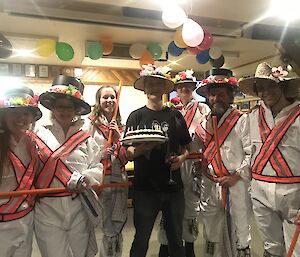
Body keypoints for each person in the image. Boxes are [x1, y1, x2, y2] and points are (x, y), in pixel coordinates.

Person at [33, 75, 103, 257]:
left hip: (78, 207)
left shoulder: (86, 138)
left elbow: (97, 167)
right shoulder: (38, 133)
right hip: (47, 209)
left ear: (76, 110)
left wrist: (86, 177)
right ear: (53, 108)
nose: (64, 111)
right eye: (60, 106)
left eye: (69, 107)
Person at [125, 64, 191, 257]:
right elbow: (127, 153)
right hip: (145, 188)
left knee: (176, 240)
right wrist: (142, 149)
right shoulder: (135, 117)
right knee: (141, 239)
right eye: (150, 84)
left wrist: (182, 159)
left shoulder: (176, 115)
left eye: (158, 84)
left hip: (173, 188)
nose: (154, 87)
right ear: (145, 88)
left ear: (165, 89)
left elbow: (187, 147)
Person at [239, 62, 300, 257]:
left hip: (294, 193)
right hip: (260, 190)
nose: (266, 92)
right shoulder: (252, 117)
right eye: (261, 88)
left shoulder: (298, 117)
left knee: (296, 250)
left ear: (282, 86)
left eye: (271, 86)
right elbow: (249, 150)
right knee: (271, 248)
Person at [195, 68, 252, 257]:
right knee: (211, 226)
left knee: (239, 226)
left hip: (235, 183)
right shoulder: (204, 124)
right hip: (209, 182)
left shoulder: (242, 120)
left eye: (221, 94)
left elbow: (251, 154)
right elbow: (195, 150)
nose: (216, 98)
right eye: (212, 95)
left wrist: (237, 176)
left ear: (230, 97)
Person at [158, 69, 210, 257]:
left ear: (193, 89)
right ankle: (165, 245)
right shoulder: (169, 110)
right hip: (173, 162)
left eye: (189, 86)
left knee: (191, 205)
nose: (185, 90)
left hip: (193, 162)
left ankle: (189, 246)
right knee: (168, 204)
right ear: (176, 91)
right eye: (181, 87)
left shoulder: (204, 109)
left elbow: (208, 138)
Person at [86, 85, 128, 257]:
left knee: (119, 217)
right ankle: (107, 252)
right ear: (98, 101)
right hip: (102, 178)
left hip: (119, 177)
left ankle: (115, 252)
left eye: (112, 97)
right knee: (106, 221)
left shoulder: (122, 127)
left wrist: (119, 139)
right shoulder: (91, 125)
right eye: (105, 97)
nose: (109, 100)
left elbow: (128, 156)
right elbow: (85, 153)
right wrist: (100, 154)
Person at [0, 86, 42, 257]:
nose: (21, 118)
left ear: (32, 118)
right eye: (14, 112)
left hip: (26, 218)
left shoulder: (34, 143)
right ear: (4, 116)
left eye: (26, 113)